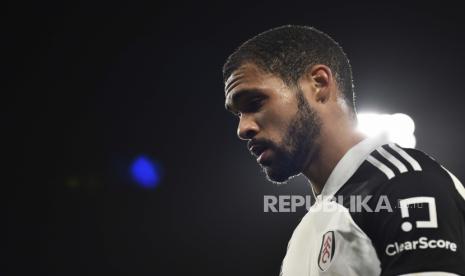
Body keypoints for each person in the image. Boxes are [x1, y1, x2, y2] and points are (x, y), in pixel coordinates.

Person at [222, 25, 465, 276]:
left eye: (255, 103)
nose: (243, 128)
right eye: (239, 114)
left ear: (319, 83)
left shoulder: (406, 183)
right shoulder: (308, 230)